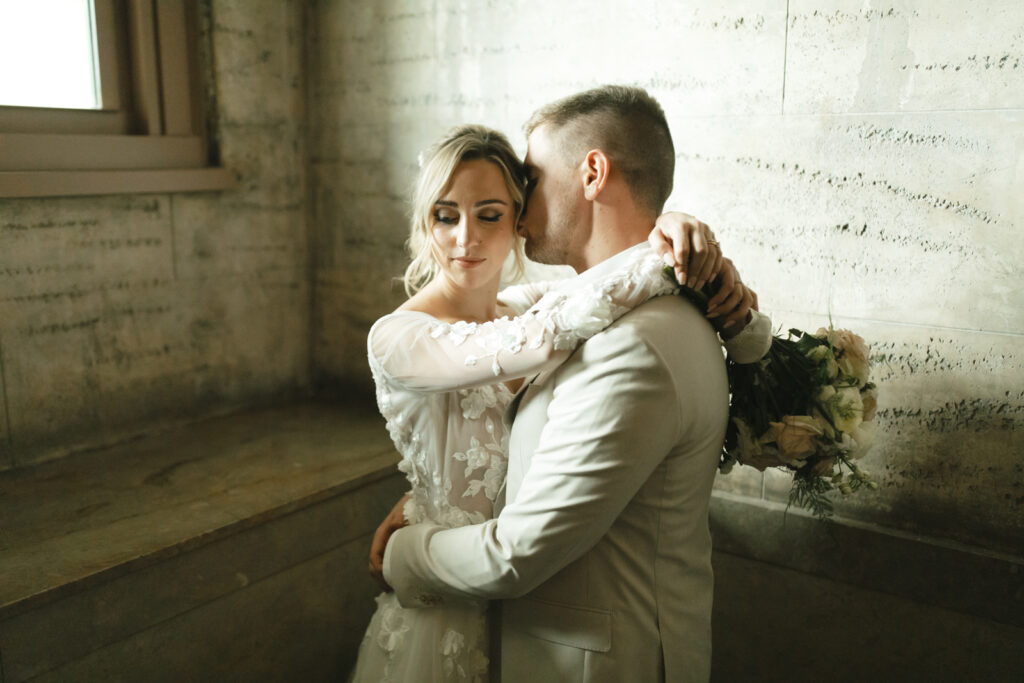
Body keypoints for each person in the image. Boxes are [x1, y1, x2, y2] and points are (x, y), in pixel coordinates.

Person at [354, 111, 770, 681]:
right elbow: (555, 328)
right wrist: (666, 248)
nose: (466, 238)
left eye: (493, 213)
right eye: (444, 216)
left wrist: (673, 233)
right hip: (448, 605)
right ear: (424, 222)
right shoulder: (405, 336)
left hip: (506, 602)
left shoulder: (528, 307)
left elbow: (577, 304)